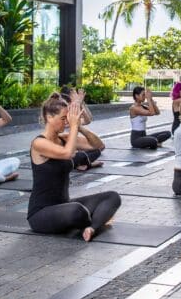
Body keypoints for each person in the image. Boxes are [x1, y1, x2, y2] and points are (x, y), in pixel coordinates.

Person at [28, 95, 122, 241]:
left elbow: (98, 146)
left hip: (64, 205)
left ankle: (91, 228)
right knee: (77, 210)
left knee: (112, 197)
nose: (66, 123)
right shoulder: (38, 143)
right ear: (49, 117)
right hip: (41, 213)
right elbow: (67, 153)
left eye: (68, 118)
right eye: (63, 118)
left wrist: (79, 126)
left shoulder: (64, 139)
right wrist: (73, 127)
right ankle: (96, 219)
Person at [59, 86, 105, 170]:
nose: (77, 95)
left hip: (71, 142)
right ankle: (84, 162)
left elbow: (88, 120)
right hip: (66, 143)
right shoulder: (64, 110)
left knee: (98, 148)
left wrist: (81, 103)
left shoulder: (72, 109)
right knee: (96, 149)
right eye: (74, 94)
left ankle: (83, 162)